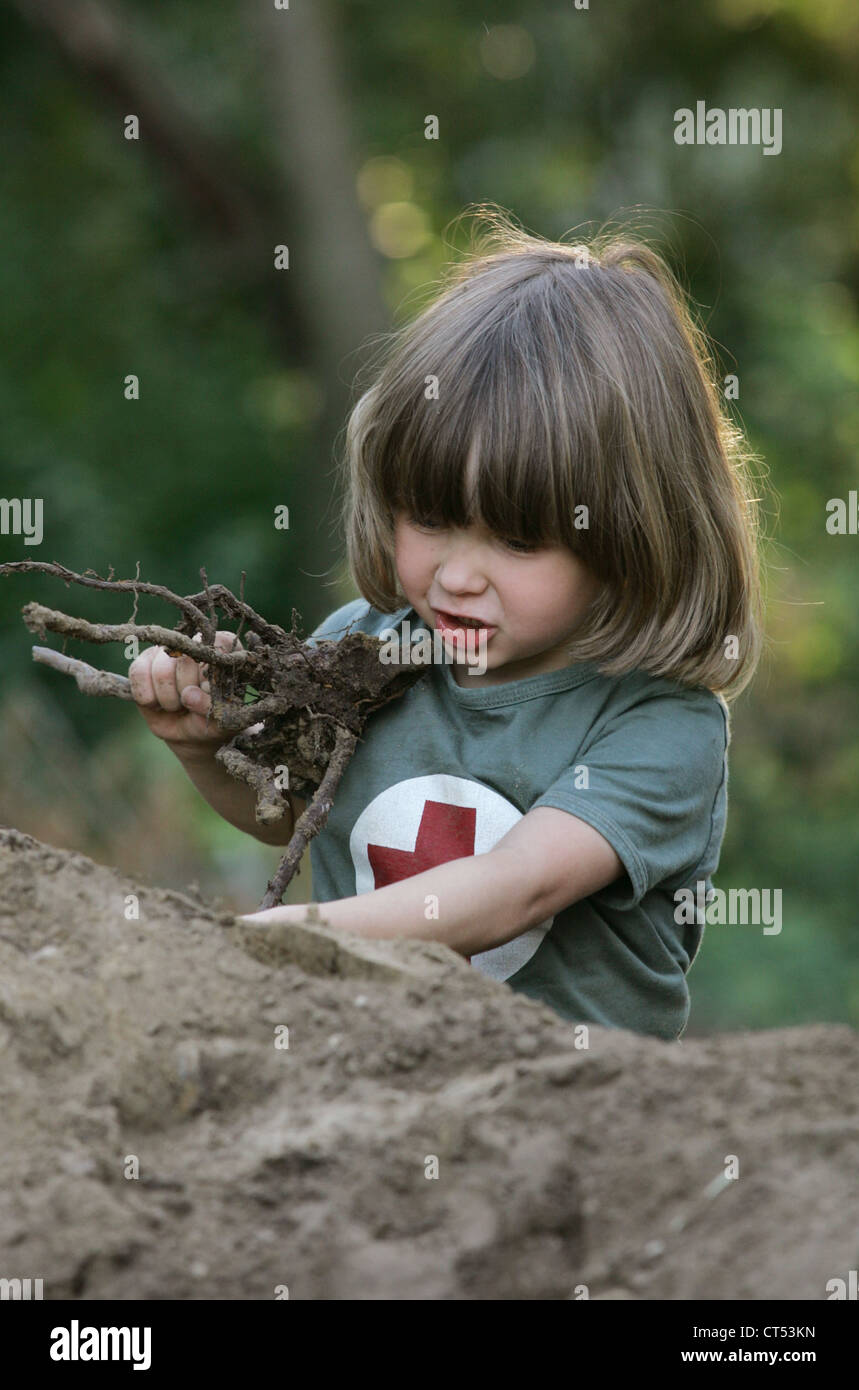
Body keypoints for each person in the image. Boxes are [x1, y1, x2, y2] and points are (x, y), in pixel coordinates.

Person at [128, 211, 764, 1041]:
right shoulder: (366, 648)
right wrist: (206, 750)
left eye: (518, 539)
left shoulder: (657, 727)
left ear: (628, 537)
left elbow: (516, 887)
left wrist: (281, 941)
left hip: (567, 1122)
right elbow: (299, 817)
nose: (456, 576)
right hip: (361, 1081)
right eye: (429, 518)